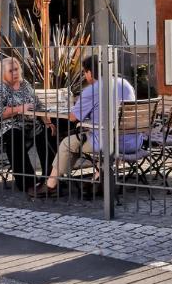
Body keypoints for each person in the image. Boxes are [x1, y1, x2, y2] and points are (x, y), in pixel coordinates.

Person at [31, 55, 138, 197]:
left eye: (84, 72)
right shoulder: (124, 83)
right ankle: (98, 179)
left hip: (106, 142)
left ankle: (51, 185)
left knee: (66, 144)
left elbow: (73, 117)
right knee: (88, 137)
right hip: (132, 141)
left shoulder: (92, 90)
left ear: (89, 72)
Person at [0, 57, 54, 192]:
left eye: (16, 69)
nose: (15, 73)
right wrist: (20, 108)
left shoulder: (25, 84)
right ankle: (27, 182)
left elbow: (38, 105)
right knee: (15, 135)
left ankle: (50, 178)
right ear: (3, 73)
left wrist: (48, 121)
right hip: (4, 126)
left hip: (28, 125)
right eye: (11, 70)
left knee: (46, 131)